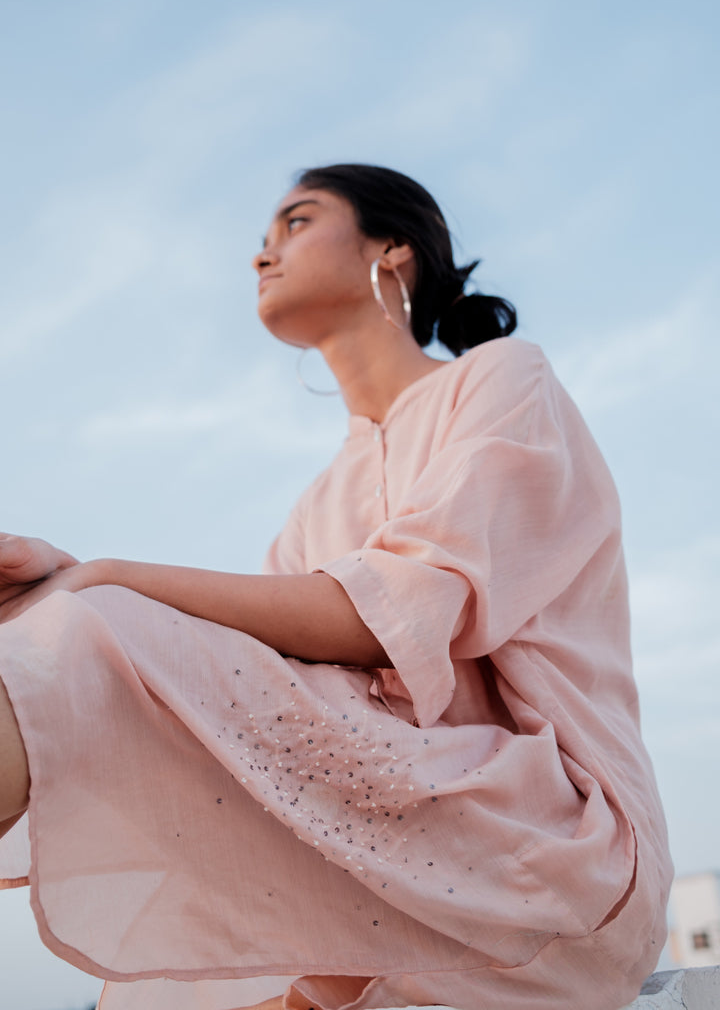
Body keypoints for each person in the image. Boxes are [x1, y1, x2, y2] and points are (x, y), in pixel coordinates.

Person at [0, 164, 672, 1010]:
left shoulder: (502, 382)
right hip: (379, 834)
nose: (262, 255)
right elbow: (243, 675)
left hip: (550, 847)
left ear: (391, 250)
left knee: (90, 629)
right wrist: (64, 582)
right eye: (264, 237)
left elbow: (384, 617)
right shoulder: (318, 505)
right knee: (78, 653)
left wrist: (104, 580)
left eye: (296, 223)